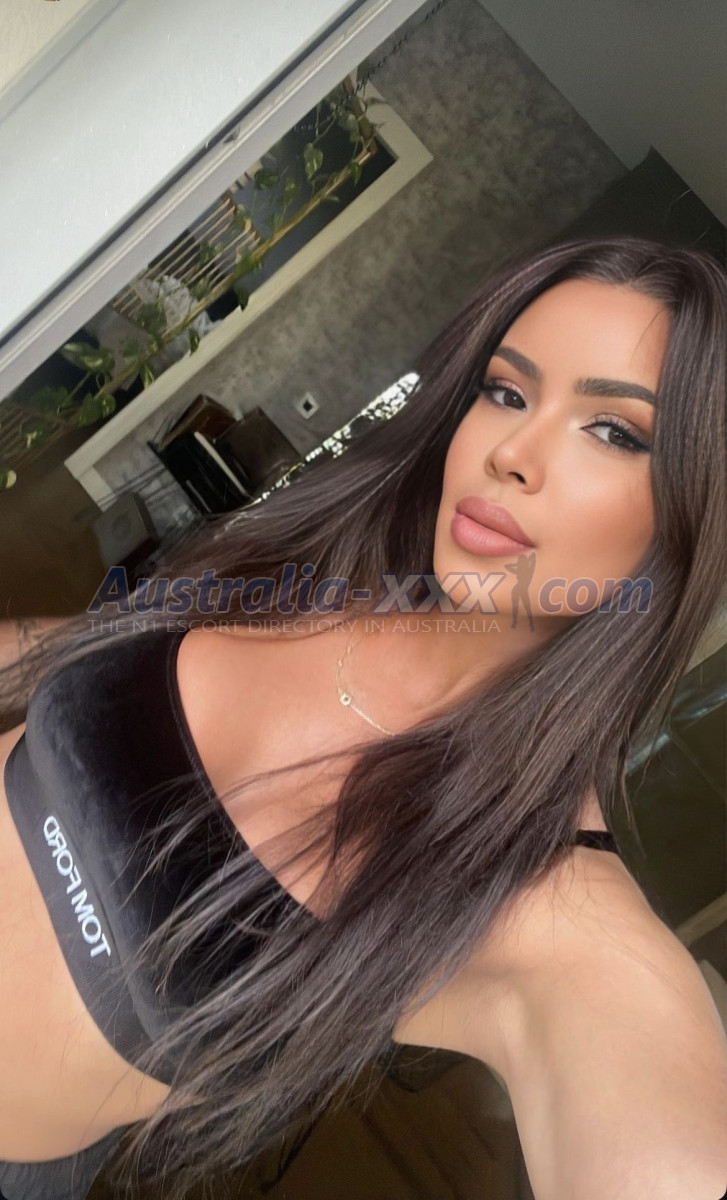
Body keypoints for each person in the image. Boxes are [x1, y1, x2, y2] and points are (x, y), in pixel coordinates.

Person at [0, 235, 725, 1200]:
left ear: (687, 517)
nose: (510, 453)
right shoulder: (316, 570)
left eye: (613, 432)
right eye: (506, 391)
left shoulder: (541, 896)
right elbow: (55, 659)